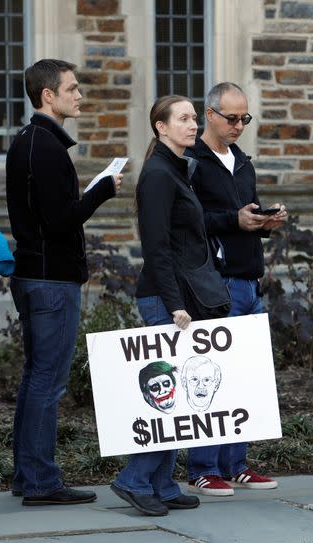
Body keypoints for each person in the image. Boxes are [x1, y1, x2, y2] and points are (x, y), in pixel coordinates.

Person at [5, 59, 122, 506]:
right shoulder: (45, 147)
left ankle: (27, 476)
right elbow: (59, 222)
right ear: (47, 96)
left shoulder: (28, 142)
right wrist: (102, 190)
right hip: (50, 280)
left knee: (37, 378)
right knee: (47, 382)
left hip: (38, 275)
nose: (80, 96)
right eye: (72, 89)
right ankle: (39, 481)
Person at [184, 82, 285, 496]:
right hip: (215, 283)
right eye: (231, 118)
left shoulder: (242, 162)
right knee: (210, 374)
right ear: (209, 114)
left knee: (244, 375)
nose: (239, 125)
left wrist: (265, 221)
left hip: (248, 278)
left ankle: (236, 462)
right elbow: (190, 223)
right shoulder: (191, 162)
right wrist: (234, 221)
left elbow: (245, 212)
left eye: (245, 118)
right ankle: (203, 467)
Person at [110, 95, 207, 516]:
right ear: (160, 127)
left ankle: (163, 483)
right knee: (167, 395)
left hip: (180, 295)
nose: (194, 124)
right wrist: (174, 305)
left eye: (195, 118)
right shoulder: (157, 175)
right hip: (165, 298)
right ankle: (134, 479)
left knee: (180, 395)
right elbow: (157, 247)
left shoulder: (176, 170)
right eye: (183, 118)